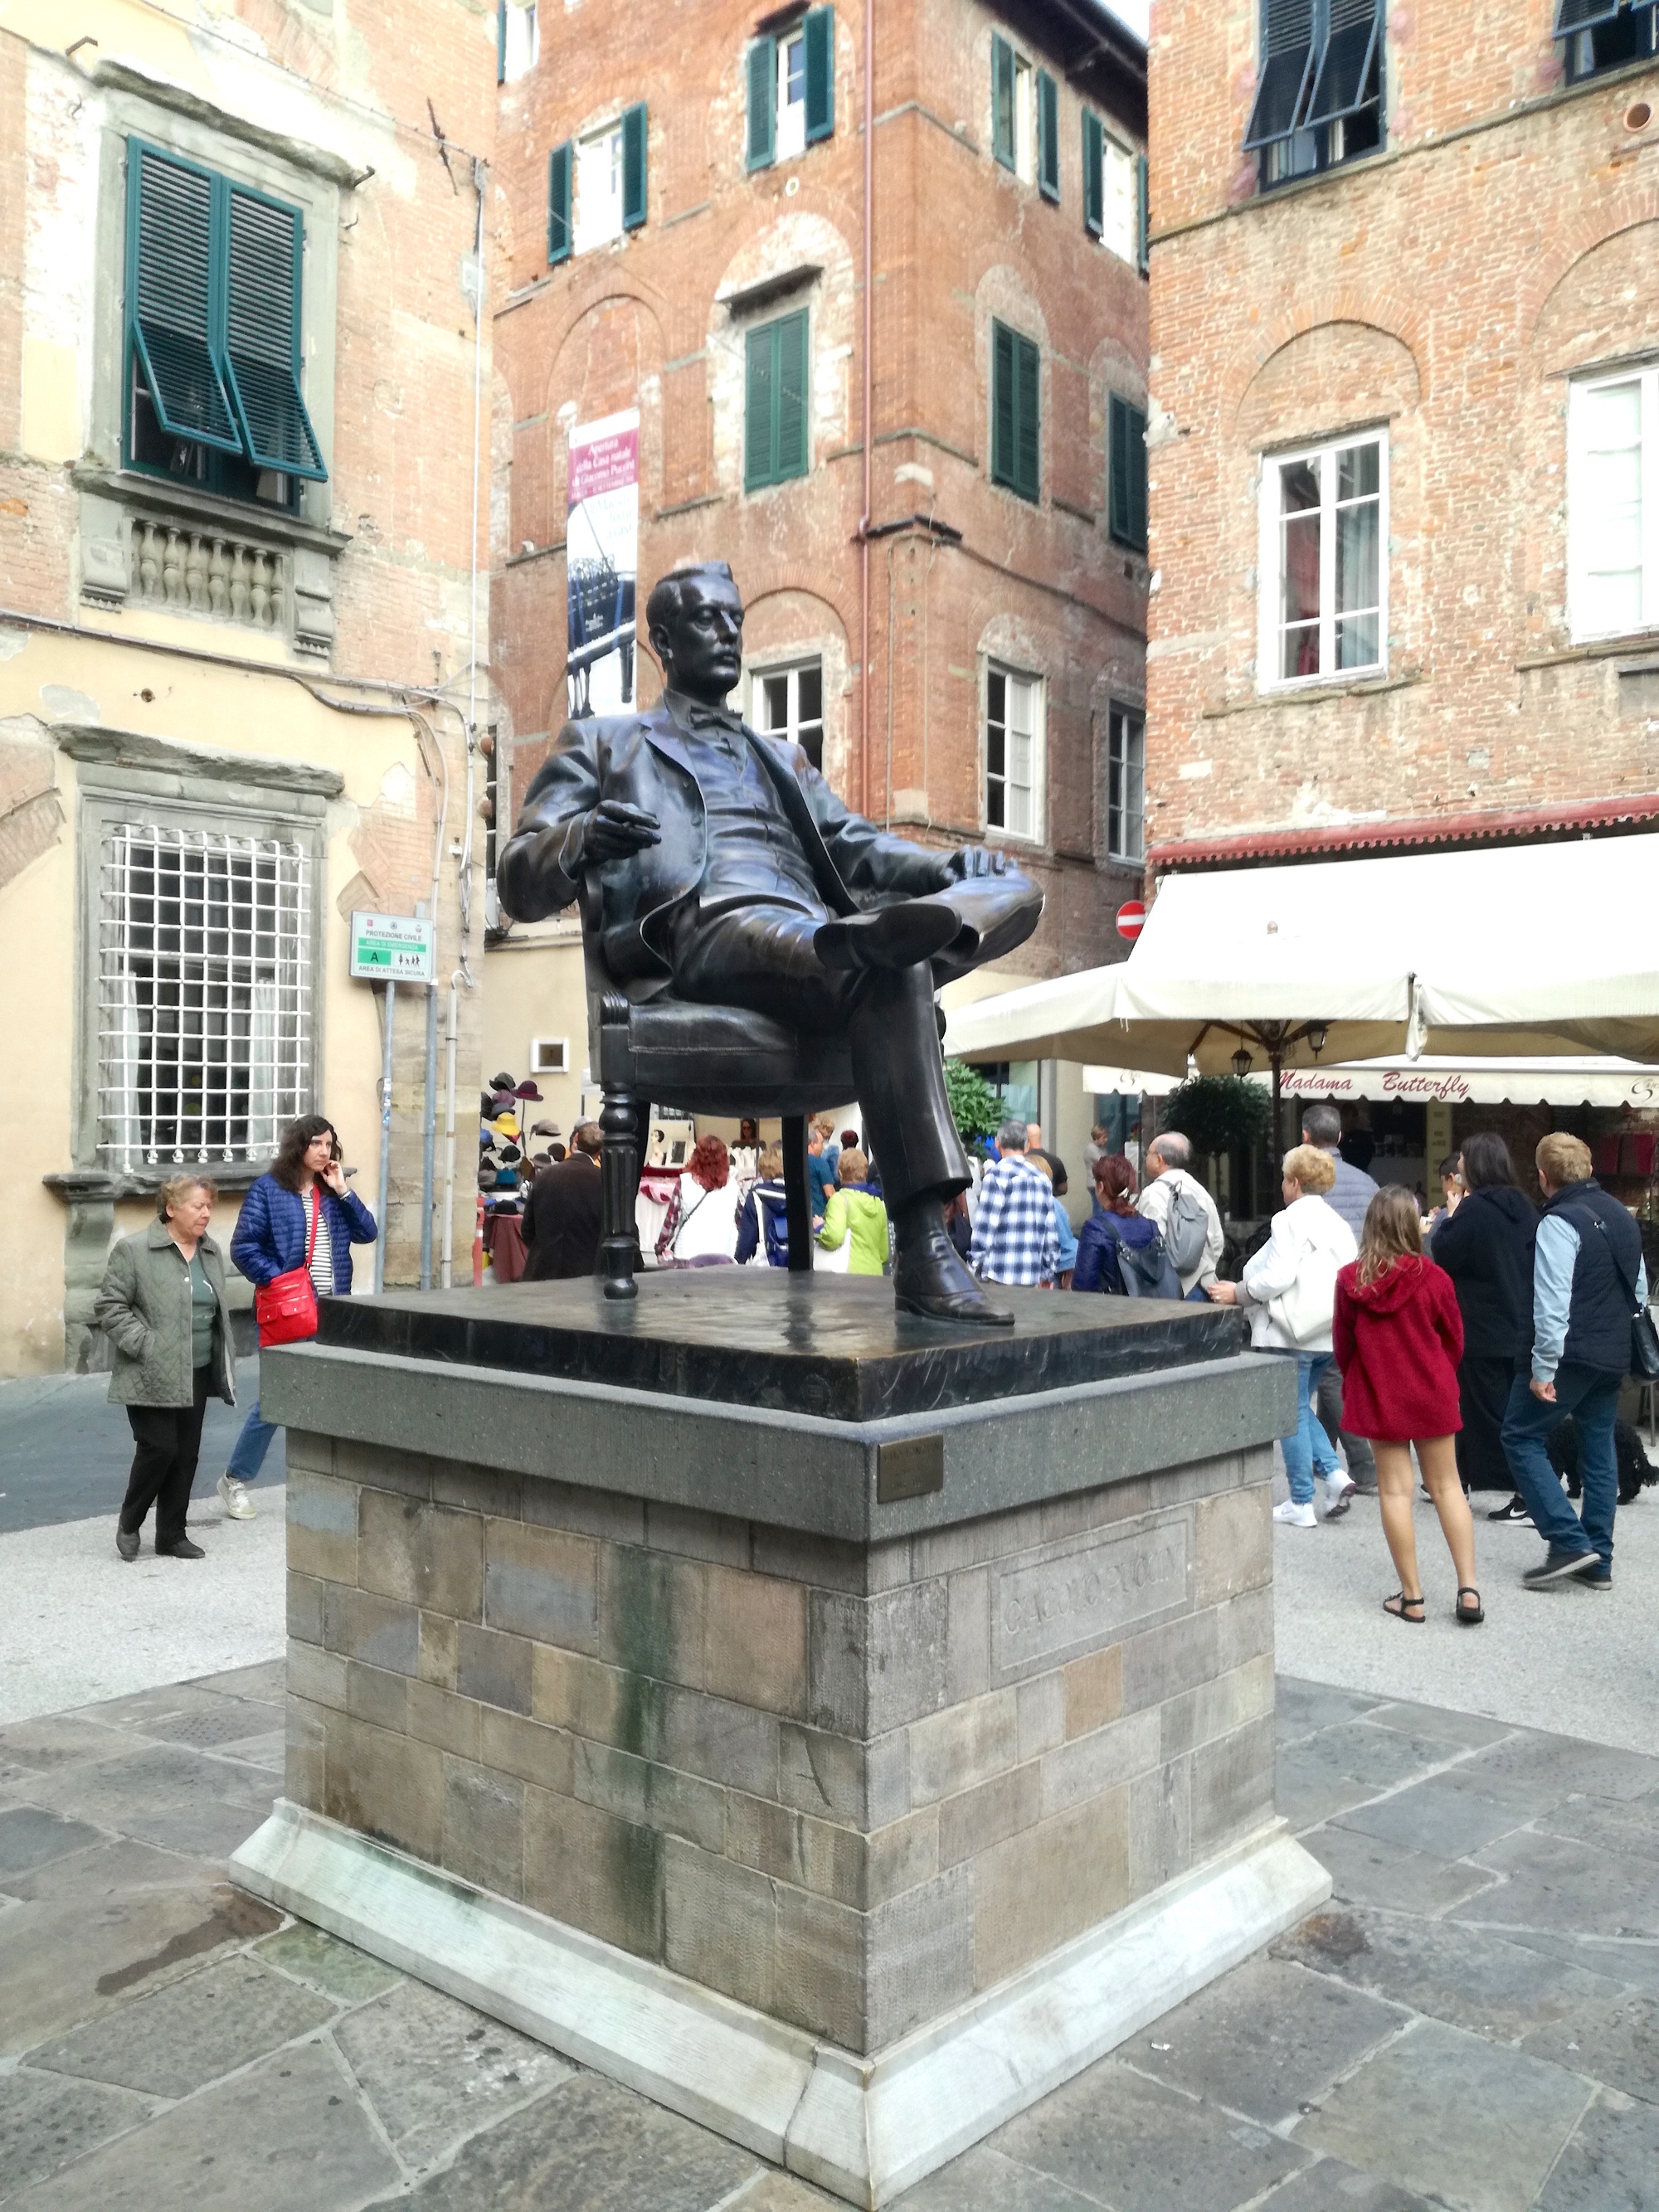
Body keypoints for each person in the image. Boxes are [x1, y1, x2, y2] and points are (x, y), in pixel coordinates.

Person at [497, 560, 1043, 1325]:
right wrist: (583, 835)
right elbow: (516, 880)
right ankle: (925, 1238)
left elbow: (856, 845)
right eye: (706, 620)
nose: (727, 633)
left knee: (916, 947)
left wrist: (947, 864)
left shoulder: (779, 756)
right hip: (701, 931)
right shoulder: (605, 742)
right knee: (869, 952)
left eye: (735, 619)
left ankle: (923, 1242)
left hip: (806, 931)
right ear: (661, 640)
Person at [1500, 1132, 1647, 1591]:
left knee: (1520, 1436)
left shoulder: (1558, 1222)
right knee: (1598, 1446)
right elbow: (1638, 1289)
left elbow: (1551, 1302)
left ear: (1543, 1177)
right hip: (1612, 1350)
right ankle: (1598, 1559)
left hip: (1568, 1353)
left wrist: (1543, 1367)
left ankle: (1568, 1540)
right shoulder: (1623, 1216)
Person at [1334, 1189, 1481, 1625]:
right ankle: (1469, 1589)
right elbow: (1454, 1340)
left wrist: (1362, 1379)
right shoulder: (1435, 1278)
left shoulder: (1349, 1280)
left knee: (1395, 1491)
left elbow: (1344, 1348)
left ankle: (1413, 1598)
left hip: (1380, 1391)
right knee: (1448, 1487)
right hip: (1431, 1390)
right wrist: (1437, 1374)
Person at [221, 1116, 377, 1517]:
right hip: (289, 1310)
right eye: (316, 1144)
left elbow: (368, 1233)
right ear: (298, 1146)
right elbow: (243, 1247)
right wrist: (278, 1280)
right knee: (276, 1399)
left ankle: (327, 1479)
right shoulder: (269, 1190)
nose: (325, 1152)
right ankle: (235, 1480)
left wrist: (344, 1190)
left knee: (332, 1394)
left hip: (331, 1310)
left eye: (329, 1144)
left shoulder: (331, 1189)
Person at [1207, 1145, 1359, 1526]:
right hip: (1325, 1331)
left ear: (1293, 1182)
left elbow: (1278, 1277)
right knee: (1300, 1411)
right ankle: (1335, 1475)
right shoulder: (1338, 1224)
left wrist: (1238, 1293)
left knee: (1287, 1415)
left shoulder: (1287, 1220)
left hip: (1288, 1333)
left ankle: (1301, 1501)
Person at [93, 1175, 237, 1560]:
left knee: (186, 1453)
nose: (206, 1213)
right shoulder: (134, 1250)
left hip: (197, 1368)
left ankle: (172, 1534)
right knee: (159, 1448)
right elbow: (109, 1307)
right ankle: (130, 1520)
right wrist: (146, 1343)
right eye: (197, 1206)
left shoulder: (210, 1253)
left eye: (209, 1205)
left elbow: (214, 1313)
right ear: (171, 1208)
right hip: (149, 1370)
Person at [1431, 1132, 1538, 1516]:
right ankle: (1461, 1479)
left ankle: (1526, 1489)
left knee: (1484, 1411)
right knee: (1510, 1409)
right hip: (1520, 1324)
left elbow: (1444, 1252)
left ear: (1474, 1166)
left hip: (1481, 1327)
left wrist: (1452, 1214)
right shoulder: (1524, 1206)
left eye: (1462, 1161)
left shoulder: (1474, 1209)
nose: (1457, 1167)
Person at [1301, 1101, 1380, 1494]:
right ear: (1341, 1138)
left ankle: (1364, 1468)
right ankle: (1326, 1458)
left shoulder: (1303, 1184)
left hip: (1319, 1293)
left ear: (1305, 1137)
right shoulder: (1367, 1184)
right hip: (1362, 1288)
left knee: (1332, 1379)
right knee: (1336, 1371)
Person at [969, 1119, 1060, 1289]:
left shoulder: (996, 1176)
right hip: (1031, 1275)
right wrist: (1049, 1271)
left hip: (998, 1274)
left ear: (998, 1143)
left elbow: (985, 1228)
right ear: (1026, 1146)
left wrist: (974, 1265)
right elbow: (1050, 1232)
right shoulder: (1042, 1179)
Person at [1138, 1130, 1224, 1300]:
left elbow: (1151, 1245)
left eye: (1148, 1153)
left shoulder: (1154, 1193)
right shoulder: (1200, 1191)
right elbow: (1217, 1241)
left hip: (1171, 1291)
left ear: (1159, 1159)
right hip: (1205, 1287)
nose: (1146, 1158)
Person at [1073, 1156, 1175, 1296]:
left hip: (1113, 1311)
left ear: (1101, 1187)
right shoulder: (1151, 1226)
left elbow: (1083, 1285)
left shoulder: (1096, 1228)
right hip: (1152, 1307)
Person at [521, 1120, 604, 1279]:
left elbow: (527, 1229)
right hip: (584, 1272)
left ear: (576, 1139)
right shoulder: (602, 1180)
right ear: (600, 1150)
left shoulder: (544, 1175)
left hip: (542, 1269)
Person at [659, 1133, 741, 1264]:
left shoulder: (684, 1182)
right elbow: (740, 1221)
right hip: (722, 1254)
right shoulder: (733, 1186)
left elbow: (671, 1221)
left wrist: (660, 1248)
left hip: (687, 1254)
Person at [817, 1147, 890, 1274]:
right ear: (866, 1173)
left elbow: (834, 1237)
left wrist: (819, 1228)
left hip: (849, 1276)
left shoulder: (840, 1200)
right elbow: (884, 1254)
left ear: (840, 1173)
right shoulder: (878, 1204)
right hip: (875, 1275)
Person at [737, 1143, 790, 1265]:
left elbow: (746, 1238)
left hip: (765, 1263)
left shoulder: (756, 1195)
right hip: (793, 1264)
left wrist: (739, 1262)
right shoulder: (797, 1193)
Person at [806, 1121, 839, 1228]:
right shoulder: (820, 1163)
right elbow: (830, 1194)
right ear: (813, 1143)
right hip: (818, 1218)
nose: (823, 1147)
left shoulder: (794, 1162)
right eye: (821, 1143)